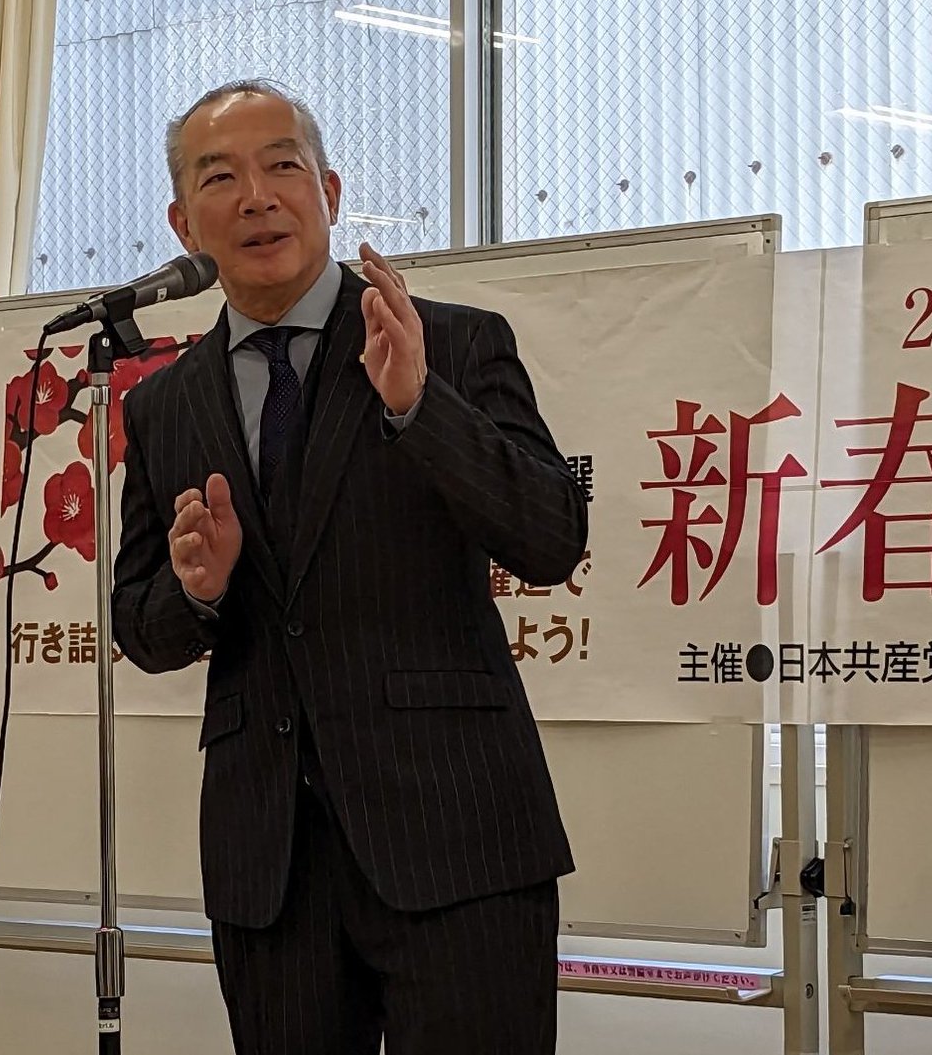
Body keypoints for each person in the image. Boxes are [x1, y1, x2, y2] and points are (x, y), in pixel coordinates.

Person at [112, 78, 588, 1055]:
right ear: (183, 222)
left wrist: (419, 406)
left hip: (456, 836)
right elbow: (140, 626)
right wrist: (196, 589)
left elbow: (550, 536)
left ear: (328, 190)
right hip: (270, 865)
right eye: (220, 177)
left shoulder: (449, 342)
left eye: (282, 166)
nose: (257, 197)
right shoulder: (165, 404)